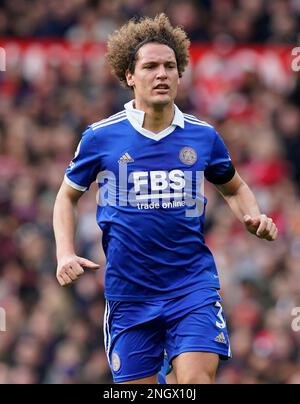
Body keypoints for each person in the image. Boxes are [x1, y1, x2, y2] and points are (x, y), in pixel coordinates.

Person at [53, 14, 278, 384]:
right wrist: (64, 252)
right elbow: (66, 197)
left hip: (191, 286)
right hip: (129, 294)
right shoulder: (100, 137)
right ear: (129, 76)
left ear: (179, 74)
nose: (162, 74)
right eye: (151, 66)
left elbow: (233, 187)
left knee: (194, 382)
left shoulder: (203, 136)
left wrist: (252, 217)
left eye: (170, 66)